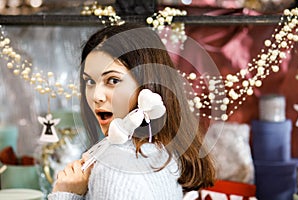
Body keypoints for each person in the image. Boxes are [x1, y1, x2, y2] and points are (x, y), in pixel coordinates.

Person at [48, 23, 215, 200]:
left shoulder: (116, 169)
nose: (96, 96)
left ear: (147, 84)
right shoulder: (163, 148)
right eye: (89, 81)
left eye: (112, 80)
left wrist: (65, 193)